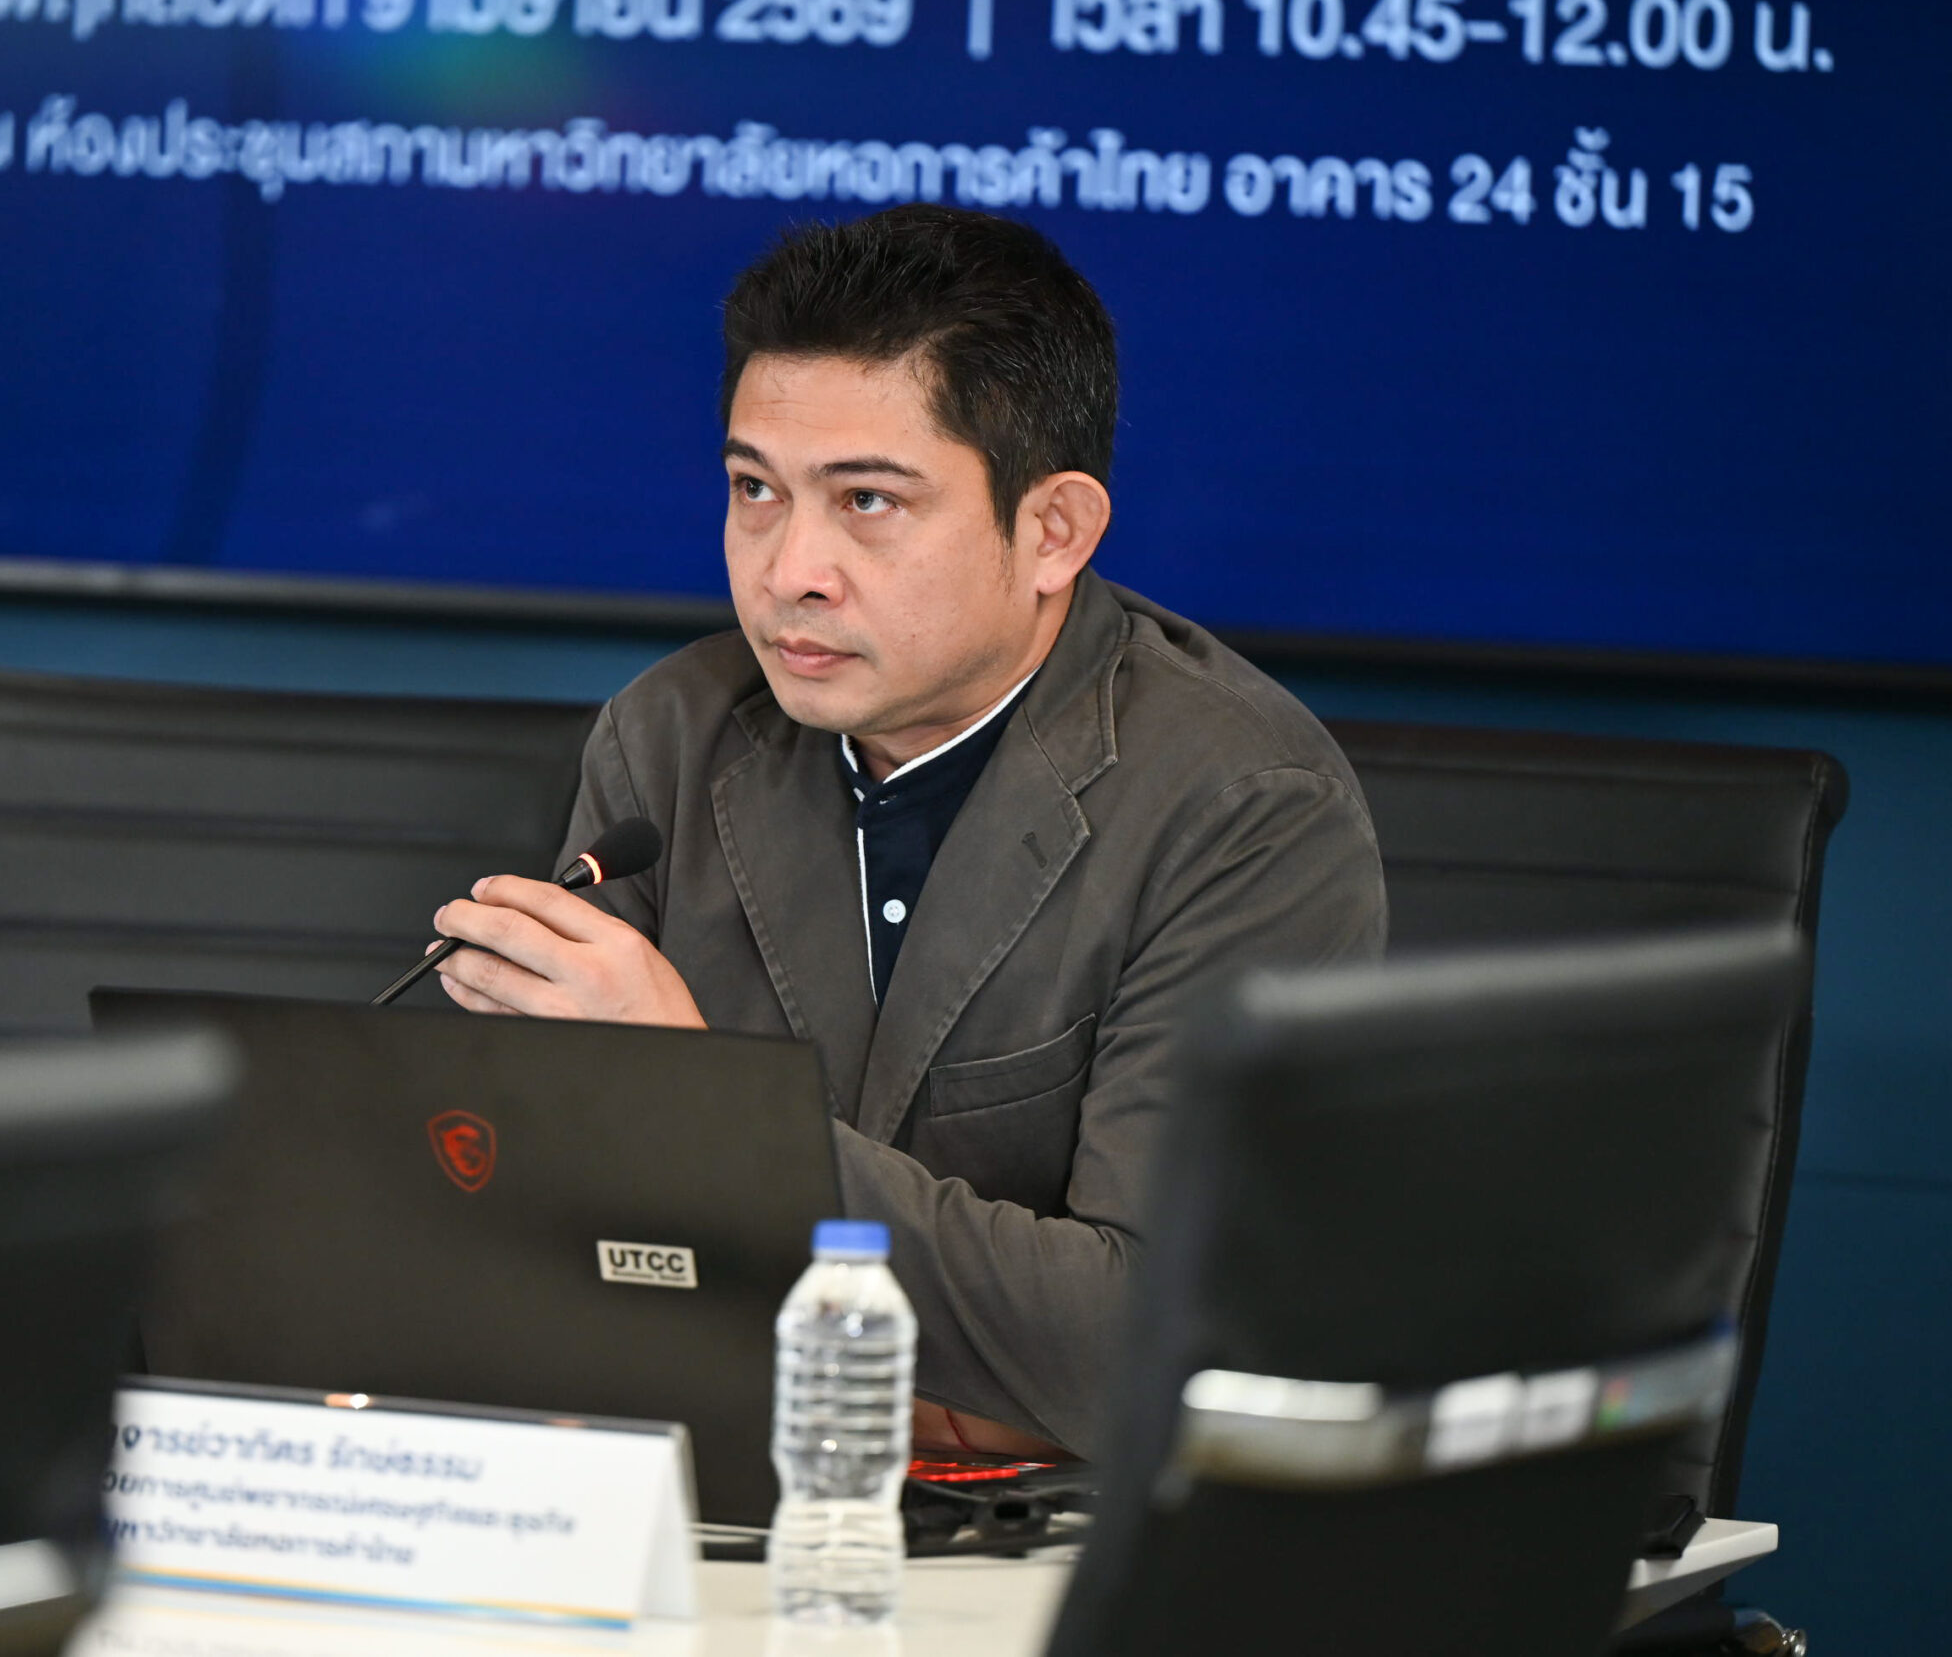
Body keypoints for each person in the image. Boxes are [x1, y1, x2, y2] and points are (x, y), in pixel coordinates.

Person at [428, 204, 1386, 1459]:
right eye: (754, 490)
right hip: (714, 1487)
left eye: (868, 501)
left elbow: (1148, 1336)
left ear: (1052, 532)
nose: (789, 570)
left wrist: (699, 1112)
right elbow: (551, 1235)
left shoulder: (1243, 807)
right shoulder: (670, 734)